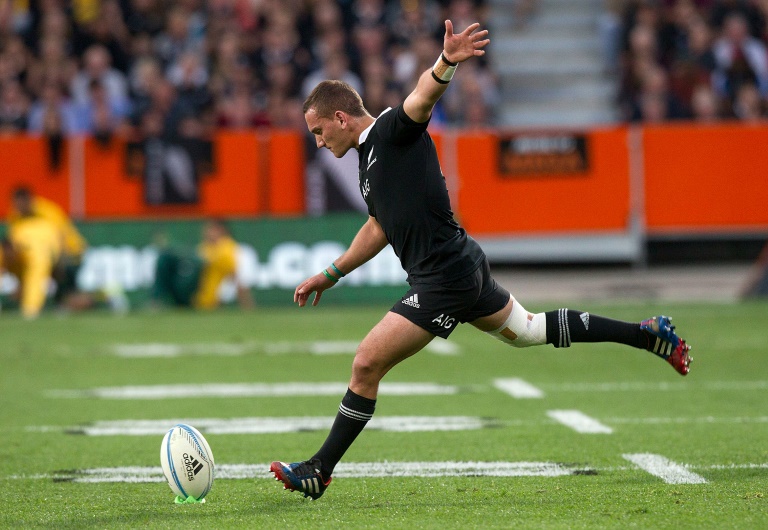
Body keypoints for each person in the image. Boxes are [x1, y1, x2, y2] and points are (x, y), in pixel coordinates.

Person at [270, 20, 692, 500]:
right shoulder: (369, 166)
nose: (319, 142)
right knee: (529, 331)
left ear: (342, 118)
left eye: (319, 131)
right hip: (459, 268)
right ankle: (647, 335)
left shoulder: (390, 133)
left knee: (366, 364)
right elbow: (379, 227)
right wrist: (330, 274)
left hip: (444, 277)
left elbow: (420, 100)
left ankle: (319, 469)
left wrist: (446, 61)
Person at [151, 219, 253, 310]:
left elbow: (235, 278)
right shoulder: (206, 247)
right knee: (167, 259)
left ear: (221, 230)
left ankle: (156, 301)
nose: (206, 232)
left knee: (168, 257)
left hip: (203, 301)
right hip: (193, 295)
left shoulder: (226, 248)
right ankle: (157, 300)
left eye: (210, 228)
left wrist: (247, 306)